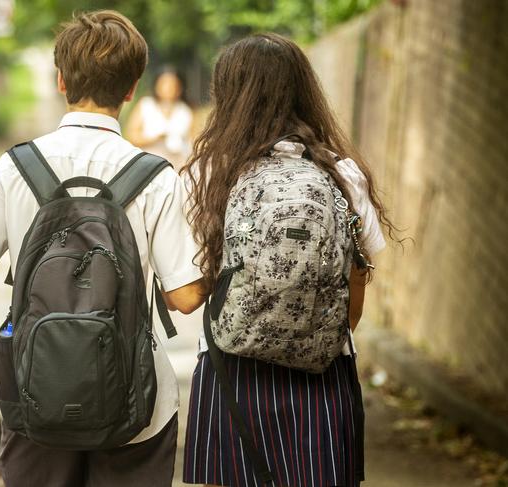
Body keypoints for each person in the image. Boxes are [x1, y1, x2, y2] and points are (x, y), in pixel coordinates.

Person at [0, 10, 205, 487]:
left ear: (60, 79)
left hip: (34, 391)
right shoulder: (156, 177)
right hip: (138, 402)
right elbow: (186, 297)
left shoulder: (15, 167)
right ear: (134, 88)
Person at [181, 34, 394, 487]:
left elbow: (197, 280)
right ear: (304, 89)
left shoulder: (210, 173)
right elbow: (359, 277)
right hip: (324, 369)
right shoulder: (341, 173)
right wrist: (314, 331)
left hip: (230, 369)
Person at [126, 68, 193, 171]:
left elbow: (193, 141)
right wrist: (155, 138)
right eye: (164, 83)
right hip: (148, 167)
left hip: (177, 167)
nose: (168, 88)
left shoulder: (185, 111)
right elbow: (131, 136)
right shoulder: (146, 105)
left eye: (173, 84)